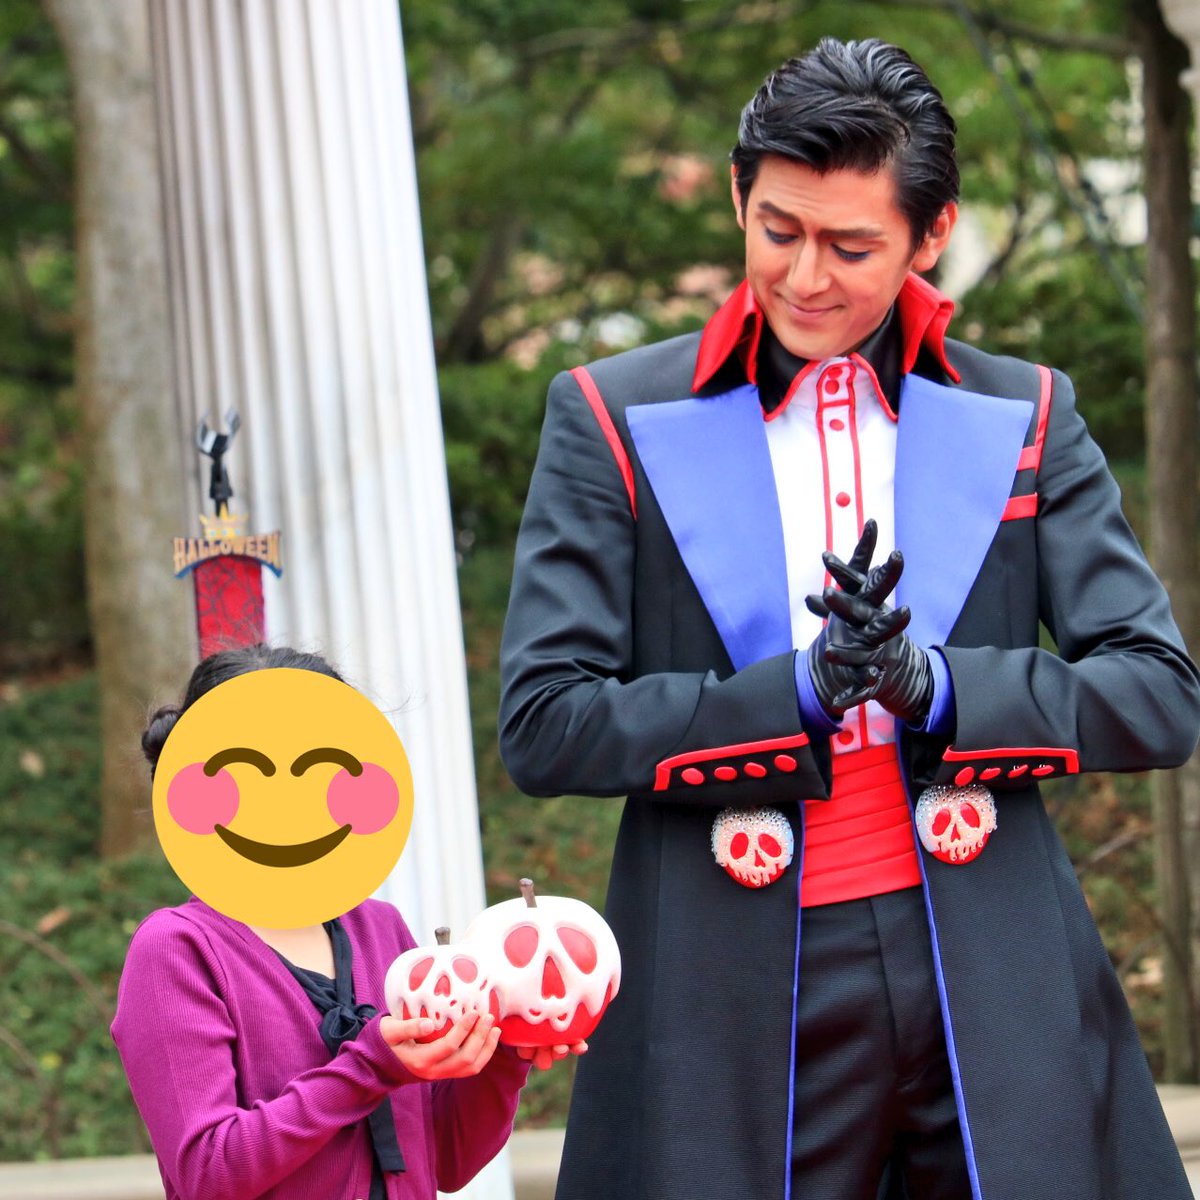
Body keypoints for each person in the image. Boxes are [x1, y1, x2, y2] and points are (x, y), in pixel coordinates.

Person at [498, 36, 1200, 1200]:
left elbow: (1161, 694)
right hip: (727, 995)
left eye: (852, 245)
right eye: (778, 229)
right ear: (739, 195)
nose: (806, 277)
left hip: (992, 979)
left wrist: (940, 686)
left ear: (932, 234)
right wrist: (799, 695)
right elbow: (544, 723)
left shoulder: (1026, 412)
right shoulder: (608, 417)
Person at [114, 644, 555, 1200]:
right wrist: (368, 1069)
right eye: (251, 774)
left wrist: (507, 1051)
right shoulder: (178, 949)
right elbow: (208, 1173)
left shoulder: (382, 930)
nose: (286, 800)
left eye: (317, 769)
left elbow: (443, 1159)